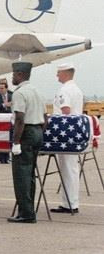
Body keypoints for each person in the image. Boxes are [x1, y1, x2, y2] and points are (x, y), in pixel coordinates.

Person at [8, 61, 46, 223]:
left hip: (25, 133)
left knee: (21, 175)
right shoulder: (37, 91)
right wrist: (39, 133)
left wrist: (16, 142)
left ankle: (26, 213)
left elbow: (20, 120)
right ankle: (28, 210)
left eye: (14, 74)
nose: (12, 77)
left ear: (20, 74)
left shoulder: (20, 93)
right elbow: (46, 118)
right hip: (37, 131)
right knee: (30, 175)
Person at [51, 63, 84, 214]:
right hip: (74, 135)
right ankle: (71, 201)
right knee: (72, 169)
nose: (57, 76)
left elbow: (65, 111)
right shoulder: (76, 90)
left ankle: (69, 203)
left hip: (65, 135)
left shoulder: (64, 90)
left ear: (65, 73)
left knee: (67, 169)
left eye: (58, 73)